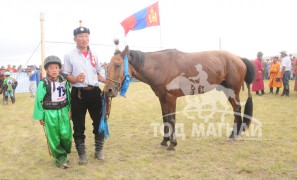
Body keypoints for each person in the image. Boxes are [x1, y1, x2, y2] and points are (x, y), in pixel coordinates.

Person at [63, 23, 107, 164]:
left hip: (95, 92)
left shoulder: (95, 55)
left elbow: (98, 74)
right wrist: (75, 79)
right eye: (81, 36)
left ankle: (98, 150)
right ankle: (82, 155)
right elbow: (66, 74)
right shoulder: (69, 55)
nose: (84, 38)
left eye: (86, 36)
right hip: (78, 94)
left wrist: (109, 82)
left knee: (99, 122)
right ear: (75, 38)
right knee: (78, 125)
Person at [33, 55, 72, 169]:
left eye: (56, 67)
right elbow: (39, 100)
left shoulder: (64, 80)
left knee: (66, 135)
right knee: (54, 136)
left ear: (60, 68)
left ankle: (64, 152)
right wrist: (41, 116)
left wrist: (69, 108)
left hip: (63, 111)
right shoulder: (43, 83)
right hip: (50, 113)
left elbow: (68, 95)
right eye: (51, 68)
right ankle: (60, 158)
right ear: (46, 69)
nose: (54, 70)